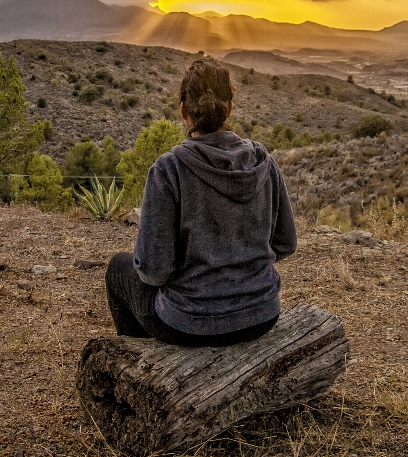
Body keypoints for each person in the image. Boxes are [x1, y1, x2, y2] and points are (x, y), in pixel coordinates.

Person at [106, 59, 297, 347]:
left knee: (118, 269)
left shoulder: (169, 169)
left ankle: (140, 363)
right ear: (230, 108)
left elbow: (153, 271)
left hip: (190, 323)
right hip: (262, 316)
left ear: (183, 110)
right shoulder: (263, 161)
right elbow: (286, 244)